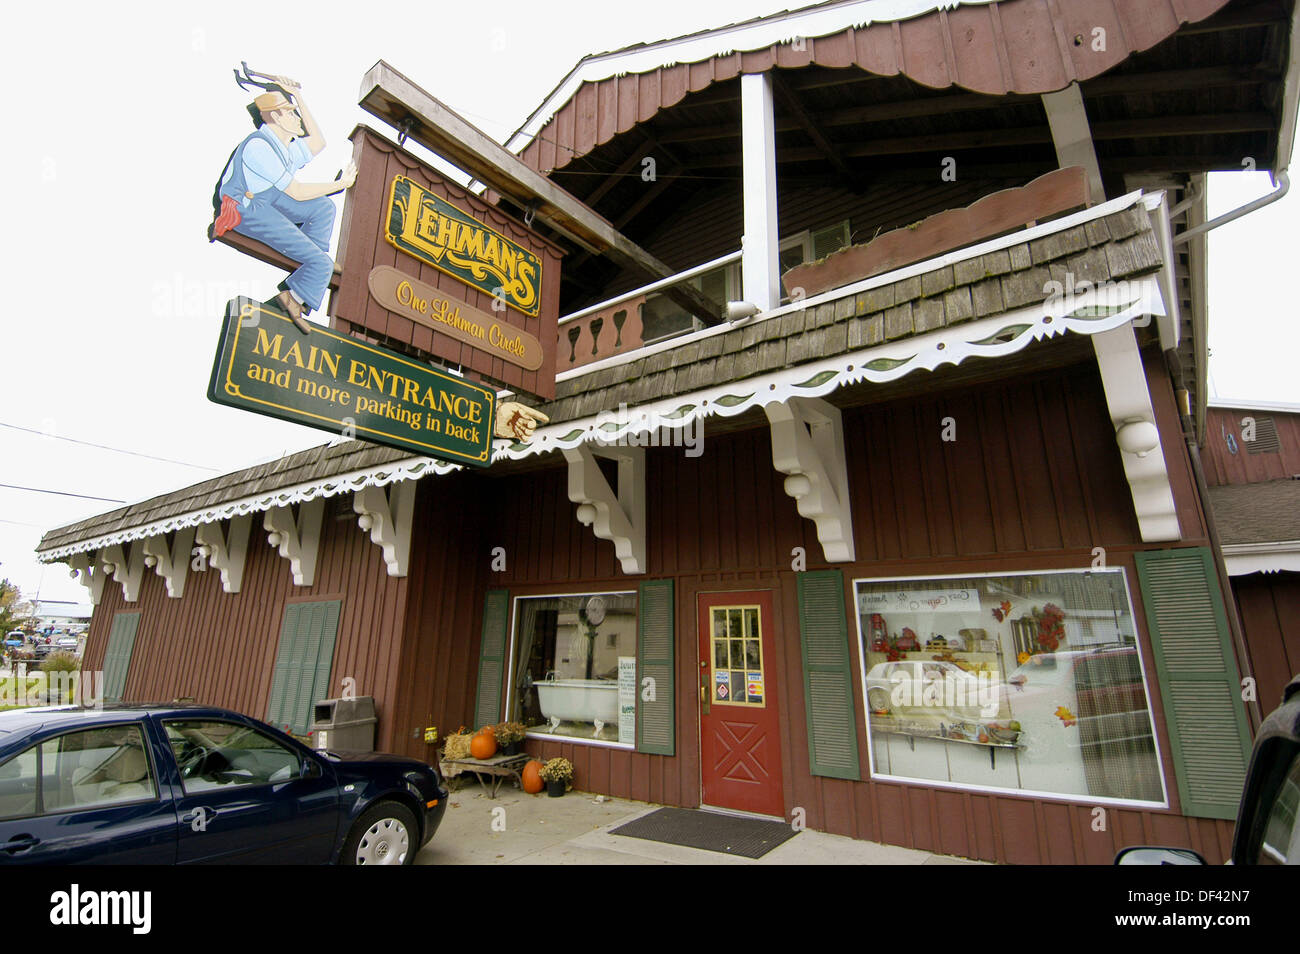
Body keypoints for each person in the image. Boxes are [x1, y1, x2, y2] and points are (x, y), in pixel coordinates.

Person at [212, 76, 357, 333]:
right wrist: (341, 184)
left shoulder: (284, 146)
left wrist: (298, 96)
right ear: (276, 117)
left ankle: (311, 255)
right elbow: (298, 192)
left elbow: (318, 142)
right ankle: (293, 298)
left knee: (324, 208)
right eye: (291, 113)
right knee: (321, 264)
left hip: (267, 200)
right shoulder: (259, 146)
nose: (297, 118)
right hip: (246, 209)